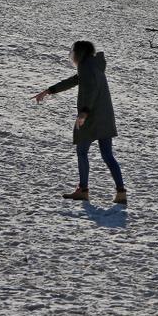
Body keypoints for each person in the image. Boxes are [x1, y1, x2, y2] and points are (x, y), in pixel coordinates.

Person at [33, 41, 127, 205]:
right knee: (107, 155)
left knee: (82, 152)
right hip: (104, 117)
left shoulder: (87, 67)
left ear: (79, 53)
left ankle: (83, 190)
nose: (72, 55)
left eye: (73, 52)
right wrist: (49, 90)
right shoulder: (93, 65)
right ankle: (121, 193)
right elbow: (74, 80)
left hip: (92, 117)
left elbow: (90, 90)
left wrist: (84, 113)